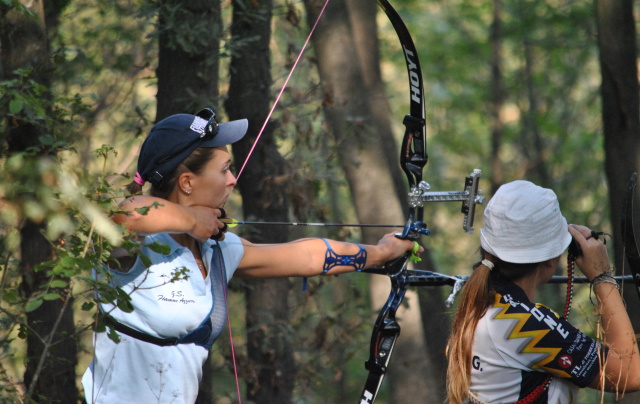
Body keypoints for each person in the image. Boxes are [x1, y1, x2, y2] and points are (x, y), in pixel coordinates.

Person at [81, 108, 419, 404]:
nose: (232, 179)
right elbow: (126, 211)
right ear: (187, 182)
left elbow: (304, 256)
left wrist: (380, 252)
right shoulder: (136, 245)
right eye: (224, 169)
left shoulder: (214, 250)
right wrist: (192, 219)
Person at [446, 180, 640, 404]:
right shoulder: (525, 325)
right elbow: (631, 374)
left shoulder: (484, 305)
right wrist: (602, 277)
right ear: (550, 260)